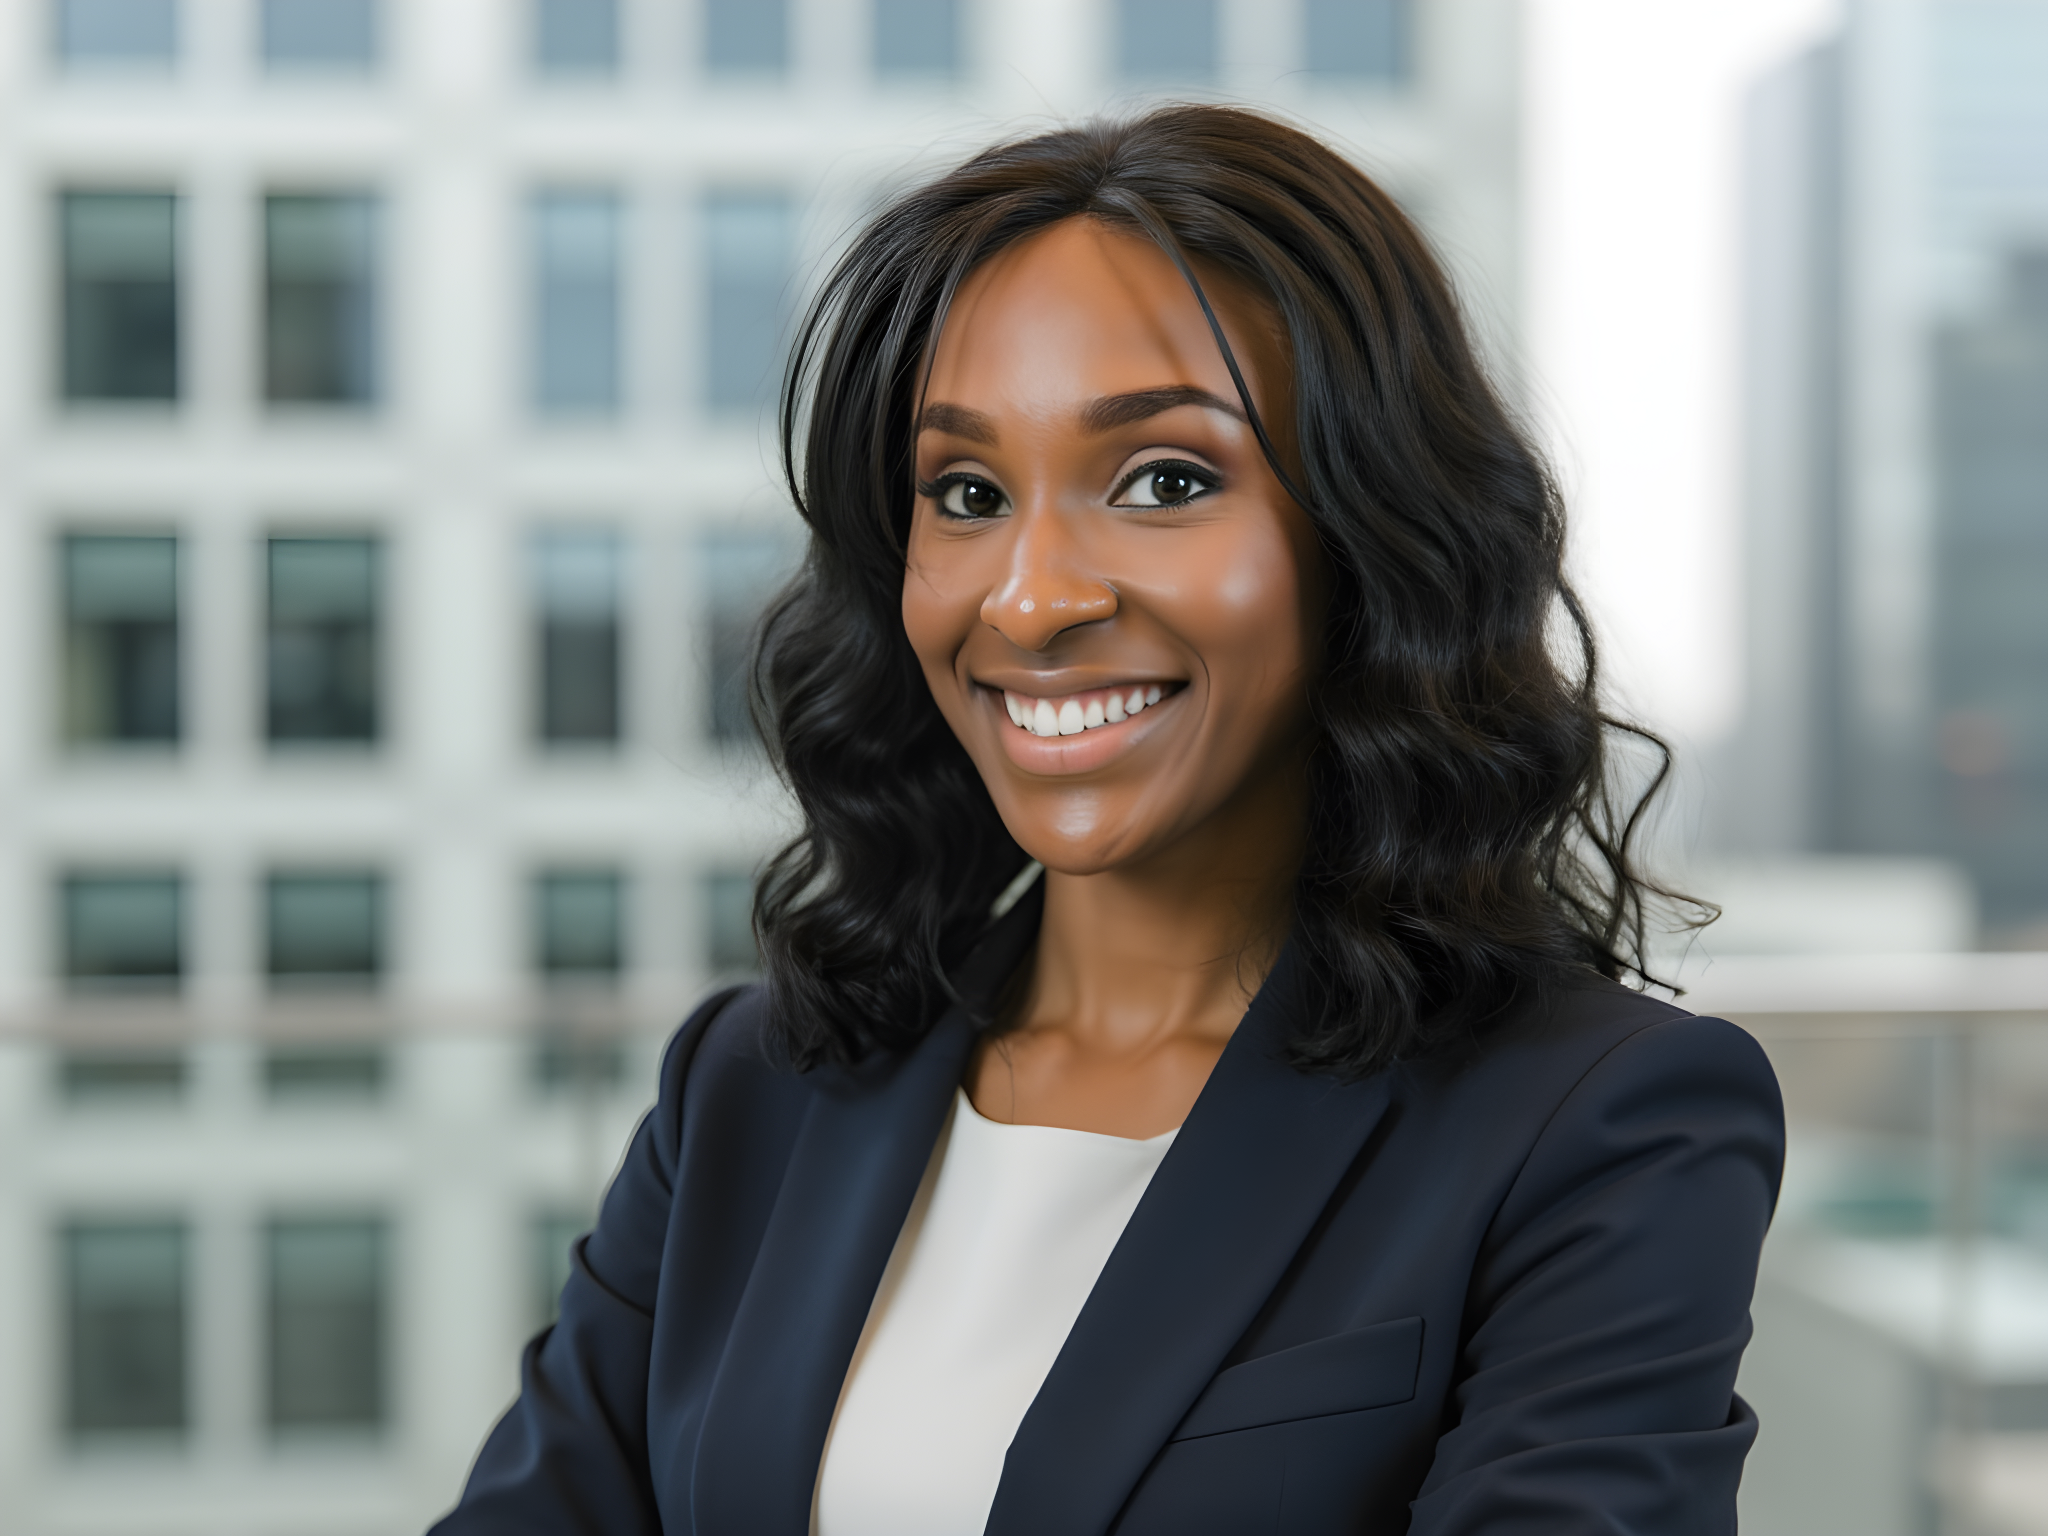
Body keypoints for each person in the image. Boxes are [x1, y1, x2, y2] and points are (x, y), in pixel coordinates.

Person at [431, 104, 1783, 1536]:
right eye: (965, 492)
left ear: (1369, 538)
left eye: (1166, 482)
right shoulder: (753, 1084)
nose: (1030, 598)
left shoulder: (1606, 1125)